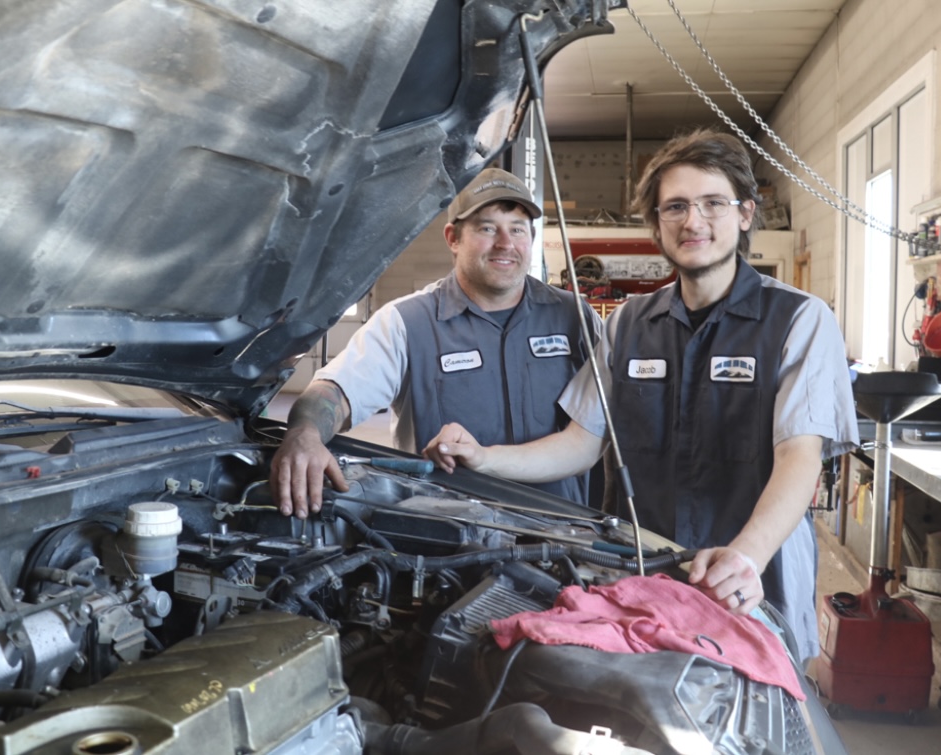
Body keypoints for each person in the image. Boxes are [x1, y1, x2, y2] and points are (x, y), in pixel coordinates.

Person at [423, 129, 859, 662]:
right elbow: (581, 442)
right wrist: (483, 458)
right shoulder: (630, 322)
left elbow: (800, 456)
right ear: (656, 223)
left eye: (712, 204)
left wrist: (747, 556)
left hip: (752, 582)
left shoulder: (799, 319)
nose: (693, 221)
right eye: (674, 206)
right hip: (642, 576)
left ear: (745, 214)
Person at [270, 167, 603, 518]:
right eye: (487, 228)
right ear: (453, 238)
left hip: (566, 533)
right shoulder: (406, 323)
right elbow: (335, 391)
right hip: (448, 541)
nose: (505, 243)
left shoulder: (575, 318)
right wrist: (305, 434)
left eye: (517, 229)